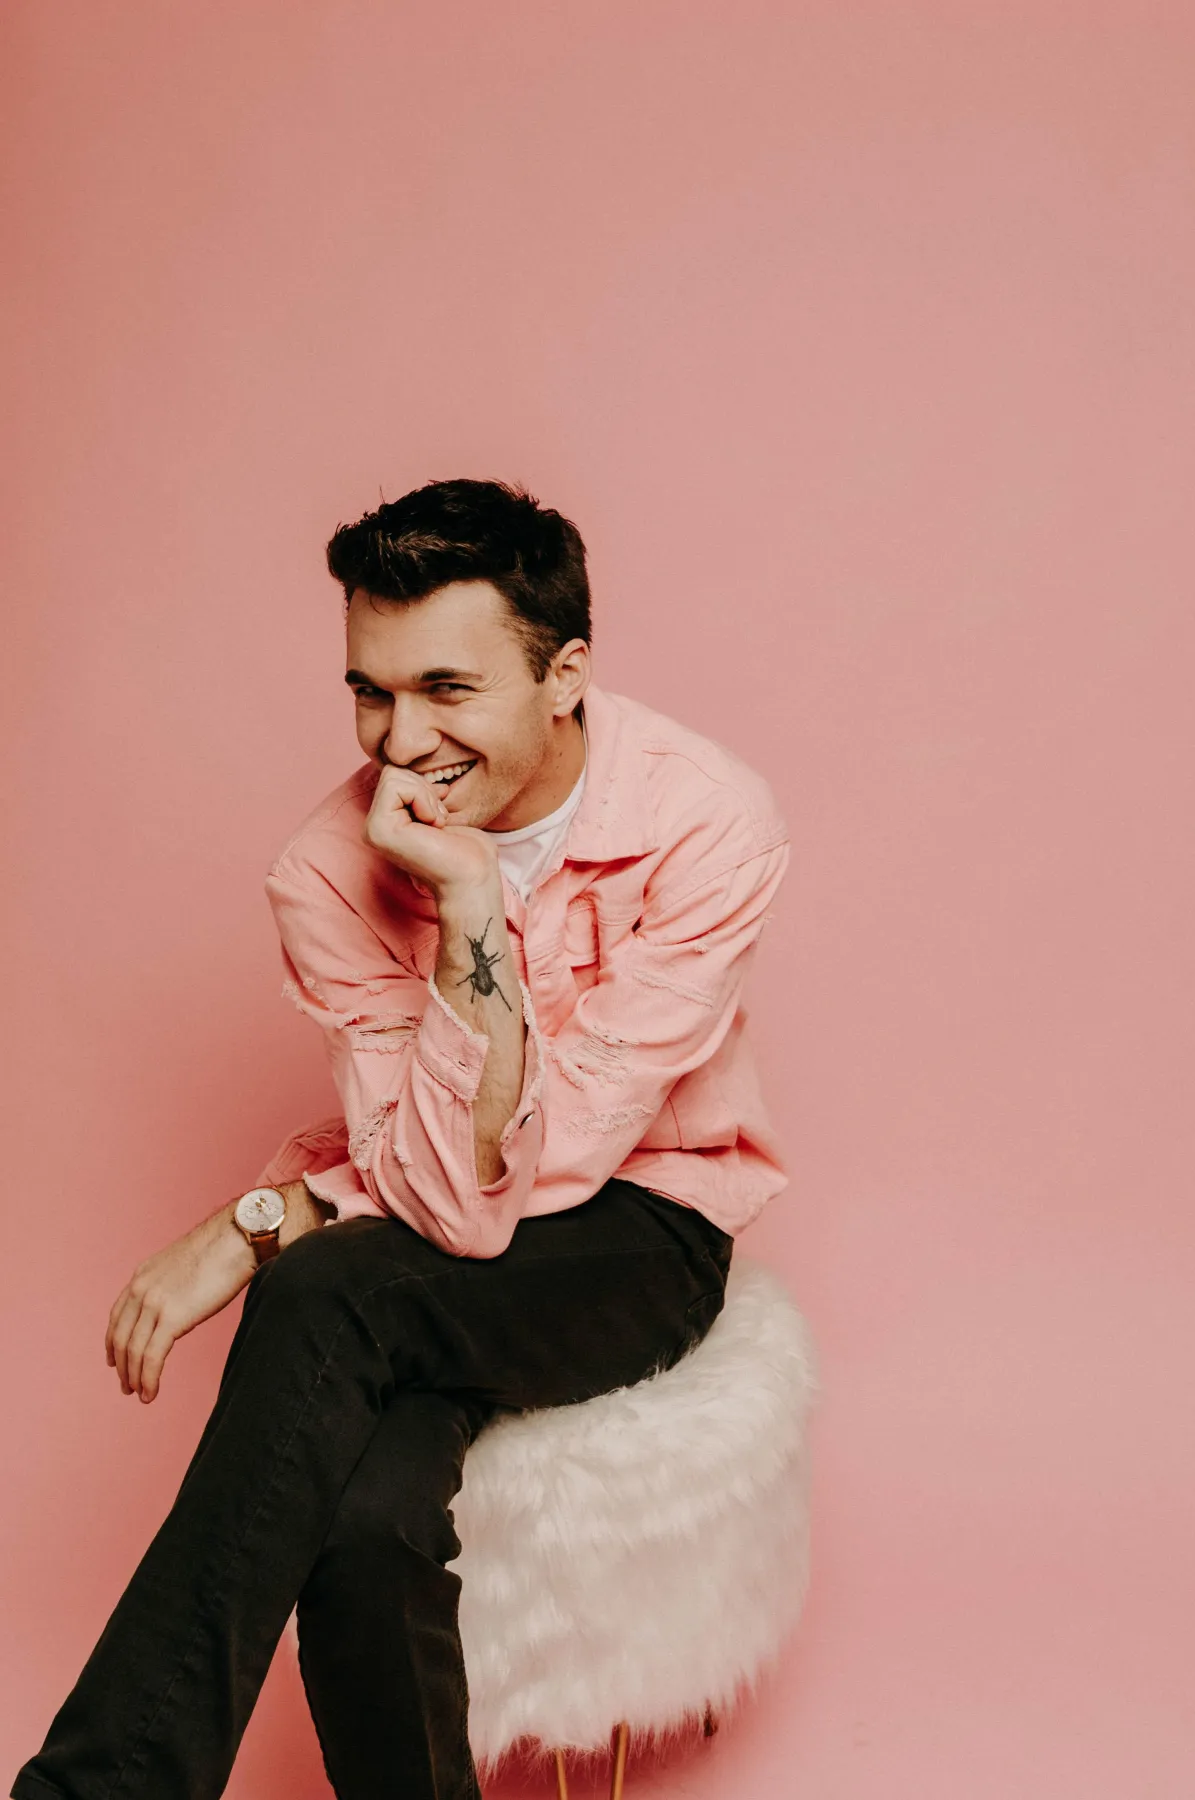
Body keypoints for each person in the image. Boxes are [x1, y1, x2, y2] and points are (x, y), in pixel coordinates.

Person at [12, 477, 790, 1800]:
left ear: (565, 676)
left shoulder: (707, 823)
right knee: (368, 1510)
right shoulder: (325, 871)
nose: (400, 739)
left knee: (324, 1296)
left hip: (641, 1228)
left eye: (446, 689)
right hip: (425, 1249)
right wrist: (463, 908)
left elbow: (542, 1169)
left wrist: (268, 1220)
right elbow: (450, 1196)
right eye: (371, 692)